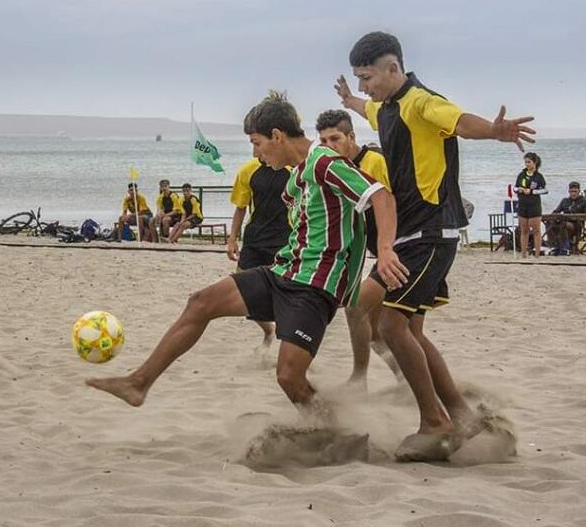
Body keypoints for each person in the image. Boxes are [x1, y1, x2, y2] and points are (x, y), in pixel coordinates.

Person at [85, 91, 405, 415]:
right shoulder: (296, 175)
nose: (256, 152)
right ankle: (138, 383)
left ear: (277, 136)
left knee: (289, 377)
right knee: (201, 301)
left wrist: (385, 250)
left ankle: (333, 429)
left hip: (315, 287)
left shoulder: (324, 162)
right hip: (285, 273)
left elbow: (380, 195)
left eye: (256, 142)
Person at [335, 31, 535, 460]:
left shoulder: (421, 101)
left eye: (368, 76)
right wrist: (351, 99)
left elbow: (460, 121)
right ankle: (461, 416)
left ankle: (434, 422)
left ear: (393, 69)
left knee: (389, 325)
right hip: (411, 233)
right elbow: (368, 109)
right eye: (359, 78)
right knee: (402, 328)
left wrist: (495, 131)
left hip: (430, 232)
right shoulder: (387, 106)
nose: (365, 84)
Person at [314, 109, 401, 384]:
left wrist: (388, 248)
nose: (329, 146)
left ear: (351, 137)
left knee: (355, 308)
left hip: (398, 250)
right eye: (323, 141)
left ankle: (359, 379)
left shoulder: (373, 161)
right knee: (375, 332)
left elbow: (391, 203)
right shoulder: (336, 170)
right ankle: (404, 379)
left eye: (335, 139)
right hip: (379, 253)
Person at [227, 155, 291, 350]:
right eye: (253, 143)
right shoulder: (248, 170)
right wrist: (232, 238)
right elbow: (240, 207)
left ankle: (287, 340)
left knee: (285, 292)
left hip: (284, 238)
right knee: (242, 288)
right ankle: (268, 330)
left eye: (258, 142)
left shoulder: (292, 169)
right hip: (254, 238)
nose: (256, 149)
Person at [515, 152, 547, 258]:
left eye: (529, 162)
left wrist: (532, 192)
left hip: (534, 205)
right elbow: (514, 187)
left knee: (536, 230)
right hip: (522, 204)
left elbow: (545, 190)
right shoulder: (521, 175)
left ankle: (537, 254)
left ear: (534, 163)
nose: (527, 164)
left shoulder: (539, 176)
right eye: (525, 162)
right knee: (524, 230)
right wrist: (518, 189)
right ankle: (523, 254)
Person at [547, 181, 586, 255]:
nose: (573, 193)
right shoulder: (565, 201)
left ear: (579, 191)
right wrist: (553, 217)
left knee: (563, 225)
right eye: (571, 191)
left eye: (575, 191)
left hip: (577, 225)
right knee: (549, 223)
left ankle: (565, 248)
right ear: (569, 191)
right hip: (563, 222)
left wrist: (577, 217)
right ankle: (553, 246)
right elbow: (556, 211)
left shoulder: (584, 201)